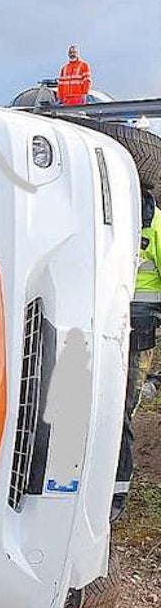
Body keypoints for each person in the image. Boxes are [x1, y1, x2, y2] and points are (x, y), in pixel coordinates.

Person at [118, 191, 161, 520]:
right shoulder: (107, 215)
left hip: (138, 334)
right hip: (97, 329)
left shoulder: (156, 225)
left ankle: (116, 493)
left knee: (121, 415)